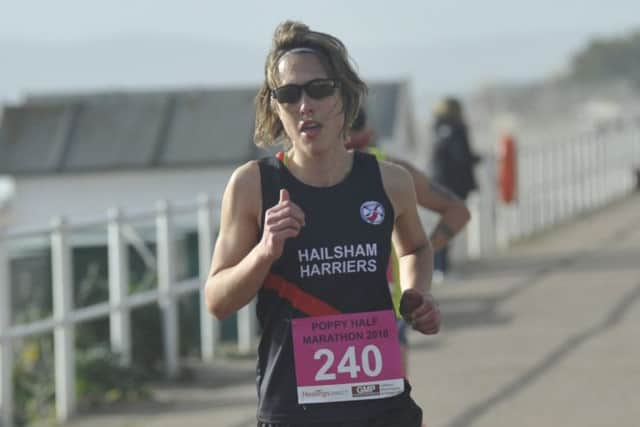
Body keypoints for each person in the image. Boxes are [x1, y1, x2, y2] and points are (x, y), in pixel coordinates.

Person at [204, 21, 439, 427]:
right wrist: (263, 252)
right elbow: (216, 299)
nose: (305, 105)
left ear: (344, 97)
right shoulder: (252, 186)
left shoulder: (388, 181)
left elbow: (416, 247)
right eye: (289, 94)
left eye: (319, 89)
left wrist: (415, 293)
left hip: (380, 401)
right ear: (274, 107)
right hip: (295, 409)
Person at [346, 108, 470, 375]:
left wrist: (422, 251)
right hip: (388, 306)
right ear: (369, 133)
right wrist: (425, 250)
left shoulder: (303, 180)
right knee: (392, 408)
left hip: (327, 321)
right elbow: (458, 211)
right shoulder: (393, 172)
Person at [429, 97, 481, 279]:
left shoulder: (437, 128)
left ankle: (439, 267)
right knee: (450, 225)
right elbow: (461, 156)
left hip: (438, 183)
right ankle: (441, 268)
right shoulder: (457, 129)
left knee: (442, 224)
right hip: (455, 184)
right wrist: (478, 159)